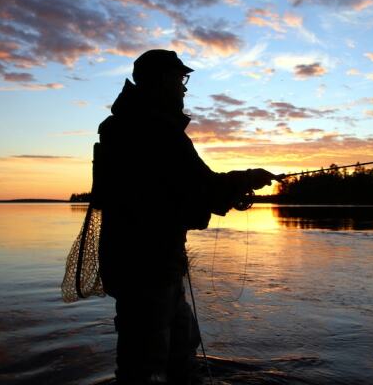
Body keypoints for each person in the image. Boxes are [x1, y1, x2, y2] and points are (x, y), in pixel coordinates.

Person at [93, 49, 276, 384]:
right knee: (144, 361)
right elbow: (200, 186)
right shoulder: (157, 131)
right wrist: (248, 178)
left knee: (174, 349)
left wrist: (234, 186)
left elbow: (182, 190)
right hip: (150, 265)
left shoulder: (124, 126)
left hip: (138, 262)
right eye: (180, 80)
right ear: (162, 80)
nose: (185, 88)